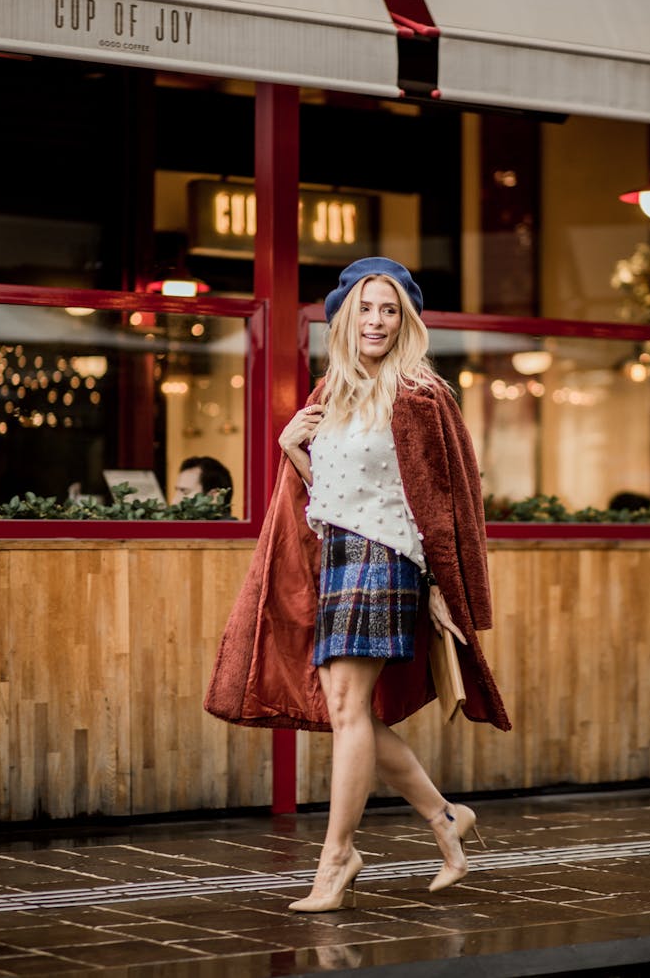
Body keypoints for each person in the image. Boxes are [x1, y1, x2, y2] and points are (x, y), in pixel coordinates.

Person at [205, 257, 510, 911]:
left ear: (406, 321)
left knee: (346, 711)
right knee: (353, 715)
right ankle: (444, 818)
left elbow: (442, 501)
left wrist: (439, 587)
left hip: (388, 561)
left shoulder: (420, 393)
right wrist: (292, 450)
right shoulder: (332, 391)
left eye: (389, 309)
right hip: (341, 558)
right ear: (345, 315)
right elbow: (333, 499)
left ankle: (338, 857)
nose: (376, 320)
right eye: (365, 308)